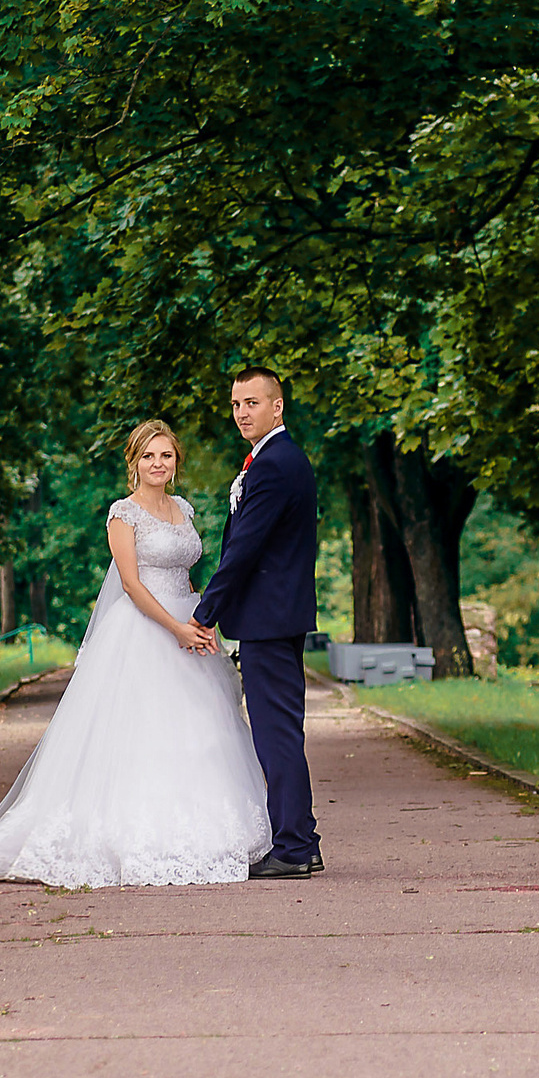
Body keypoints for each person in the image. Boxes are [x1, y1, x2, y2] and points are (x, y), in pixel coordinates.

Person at [0, 421, 272, 889]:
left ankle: (207, 827)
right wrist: (175, 629)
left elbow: (187, 576)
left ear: (176, 462)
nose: (158, 465)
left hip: (187, 623)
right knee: (140, 734)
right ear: (134, 462)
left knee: (202, 734)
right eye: (149, 456)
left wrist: (200, 623)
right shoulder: (122, 514)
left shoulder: (183, 510)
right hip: (145, 631)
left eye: (166, 456)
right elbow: (131, 584)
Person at [194, 366, 323, 877]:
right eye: (236, 404)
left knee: (275, 736)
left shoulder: (274, 464)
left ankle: (292, 848)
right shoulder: (273, 460)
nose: (242, 412)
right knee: (281, 731)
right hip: (277, 617)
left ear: (277, 406)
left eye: (252, 402)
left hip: (269, 619)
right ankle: (303, 840)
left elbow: (245, 548)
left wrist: (206, 613)